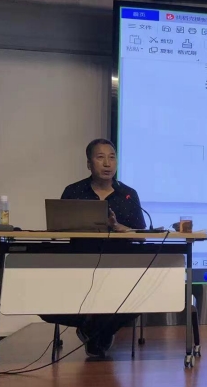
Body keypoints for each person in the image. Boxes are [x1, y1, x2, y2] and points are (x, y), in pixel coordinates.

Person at [40, 138, 146, 359]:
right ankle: (96, 329)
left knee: (141, 297)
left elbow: (141, 236)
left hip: (120, 270)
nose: (107, 163)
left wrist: (118, 227)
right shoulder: (74, 191)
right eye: (100, 157)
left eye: (112, 157)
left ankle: (91, 329)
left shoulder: (128, 195)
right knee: (43, 303)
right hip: (78, 267)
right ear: (89, 164)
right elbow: (57, 231)